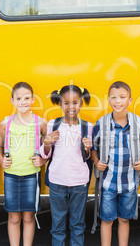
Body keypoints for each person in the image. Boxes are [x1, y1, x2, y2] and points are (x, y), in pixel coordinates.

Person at [91, 81, 140, 246]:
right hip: (108, 182)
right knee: (106, 220)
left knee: (124, 220)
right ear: (109, 100)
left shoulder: (138, 123)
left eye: (122, 97)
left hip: (129, 182)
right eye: (114, 97)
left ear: (130, 100)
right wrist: (96, 161)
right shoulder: (102, 123)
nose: (118, 101)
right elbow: (93, 147)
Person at [40, 85, 93, 246]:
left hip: (79, 181)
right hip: (57, 180)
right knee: (58, 224)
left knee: (77, 224)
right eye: (66, 103)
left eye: (75, 103)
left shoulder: (87, 127)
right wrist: (47, 142)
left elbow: (88, 156)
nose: (71, 107)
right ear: (60, 104)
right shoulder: (53, 125)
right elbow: (46, 153)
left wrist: (87, 148)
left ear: (81, 104)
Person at [0, 82, 47, 246]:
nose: (23, 102)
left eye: (26, 98)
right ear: (12, 100)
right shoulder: (6, 123)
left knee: (28, 216)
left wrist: (43, 160)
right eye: (19, 98)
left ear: (33, 99)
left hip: (32, 175)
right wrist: (1, 158)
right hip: (11, 175)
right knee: (14, 216)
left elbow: (50, 146)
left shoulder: (40, 123)